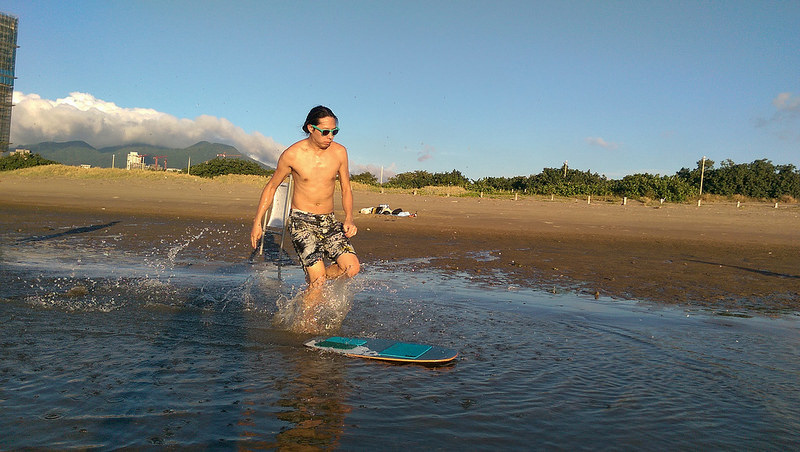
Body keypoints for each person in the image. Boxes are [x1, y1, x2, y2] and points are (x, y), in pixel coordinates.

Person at [250, 105, 360, 309]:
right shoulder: (292, 154)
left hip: (329, 220)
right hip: (302, 221)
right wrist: (257, 223)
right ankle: (303, 326)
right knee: (317, 283)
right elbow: (272, 186)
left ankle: (319, 276)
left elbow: (346, 188)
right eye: (325, 132)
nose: (330, 137)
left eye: (334, 132)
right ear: (311, 128)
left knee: (351, 268)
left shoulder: (340, 153)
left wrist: (349, 218)